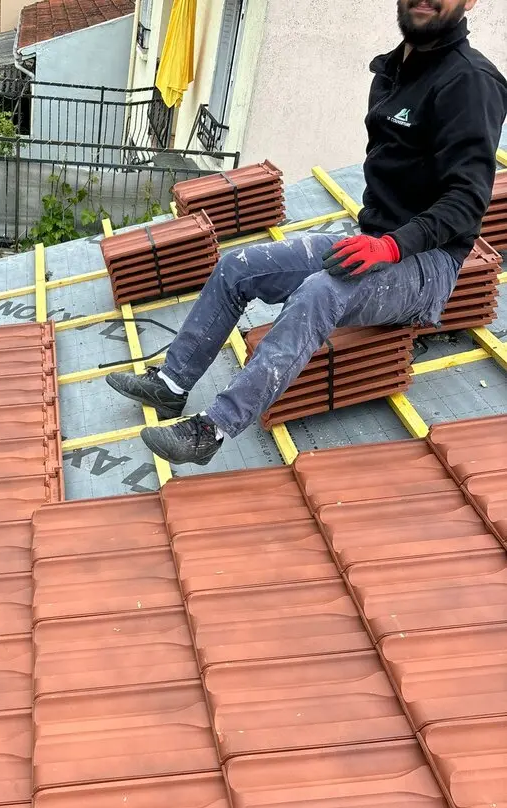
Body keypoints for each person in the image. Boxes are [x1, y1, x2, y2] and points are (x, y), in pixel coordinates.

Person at [106, 0, 507, 466]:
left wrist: (393, 245)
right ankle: (171, 384)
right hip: (373, 241)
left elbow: (467, 201)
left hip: (426, 263)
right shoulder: (393, 72)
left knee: (321, 292)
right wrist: (378, 240)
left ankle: (212, 430)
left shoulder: (471, 82)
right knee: (239, 266)